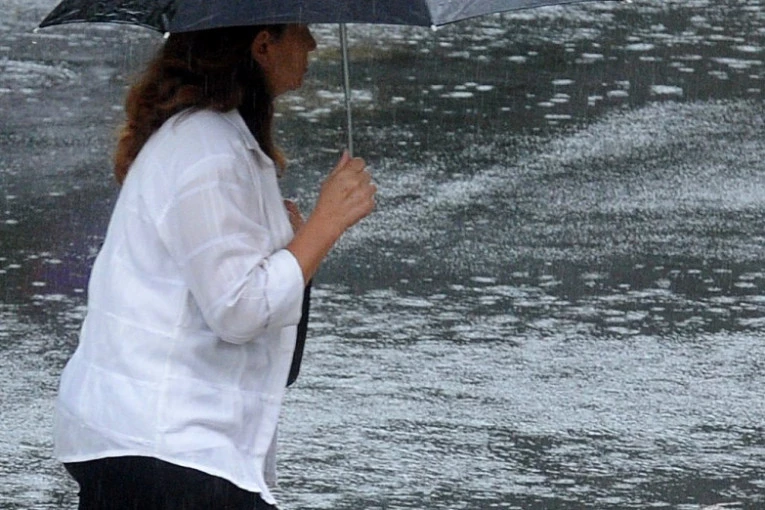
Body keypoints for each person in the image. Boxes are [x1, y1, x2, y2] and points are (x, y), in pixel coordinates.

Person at [54, 23, 376, 510]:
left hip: (154, 447)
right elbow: (240, 311)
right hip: (166, 448)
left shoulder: (216, 140)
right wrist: (324, 225)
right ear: (263, 45)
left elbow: (259, 327)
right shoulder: (206, 149)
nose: (312, 42)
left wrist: (296, 244)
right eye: (300, 29)